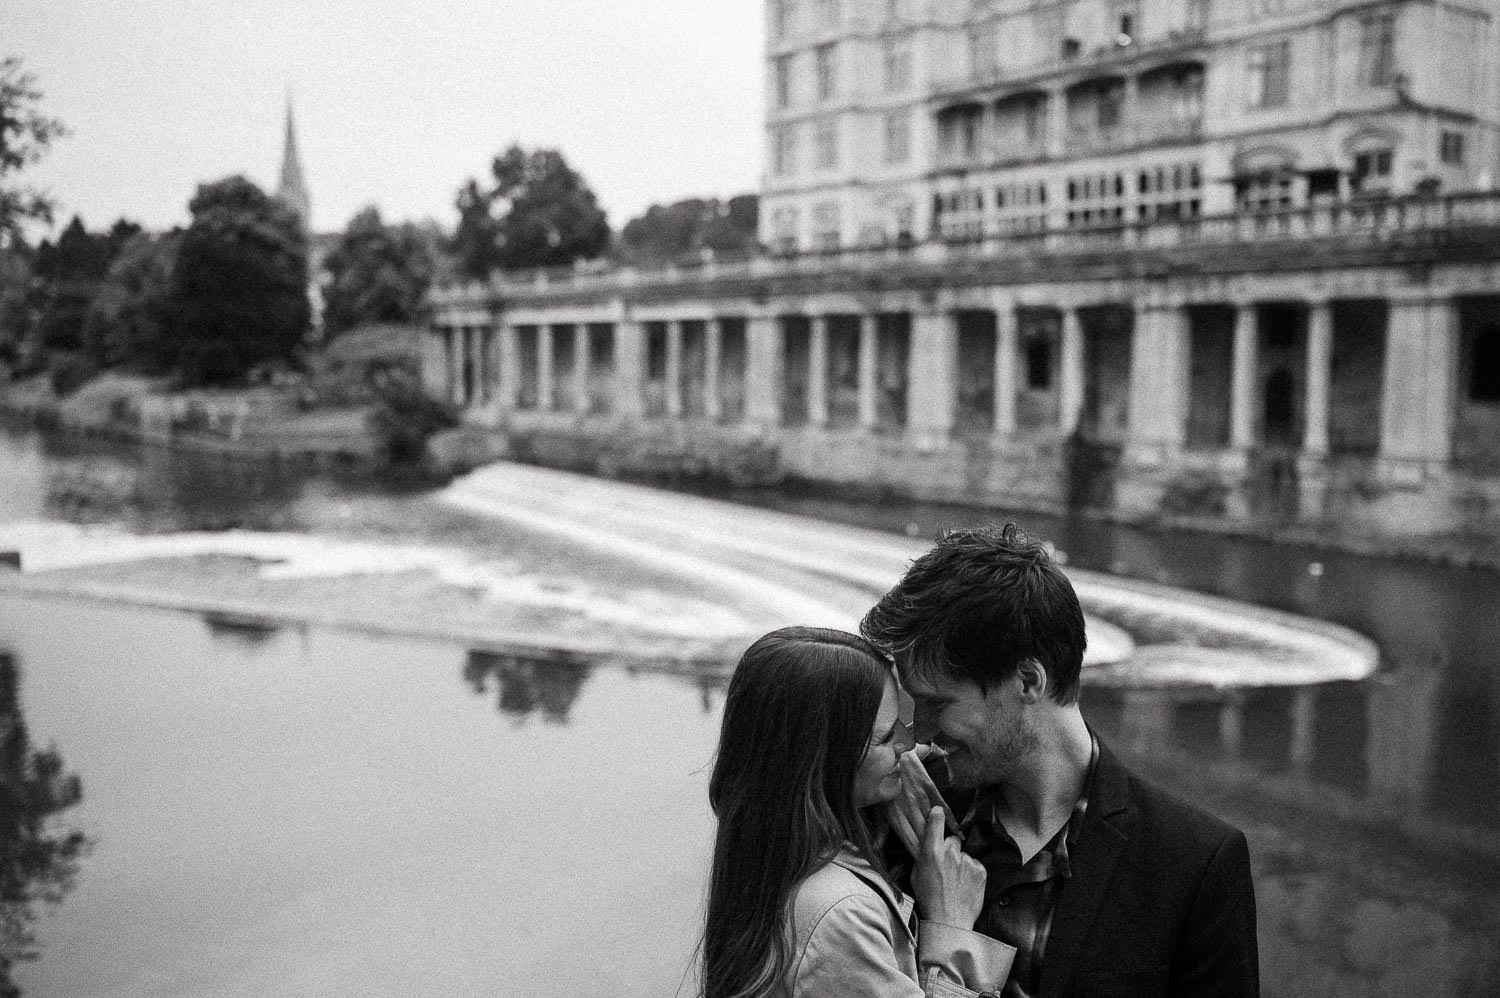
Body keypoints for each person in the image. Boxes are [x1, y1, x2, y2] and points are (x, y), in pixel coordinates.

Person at [861, 524, 1260, 998]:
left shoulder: (1194, 862)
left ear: (1029, 681)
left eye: (938, 703)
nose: (920, 731)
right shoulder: (894, 803)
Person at [703, 626, 1017, 998]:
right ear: (821, 762)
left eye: (902, 721)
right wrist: (951, 929)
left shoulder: (766, 860)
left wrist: (890, 774)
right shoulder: (842, 915)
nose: (909, 742)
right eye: (885, 737)